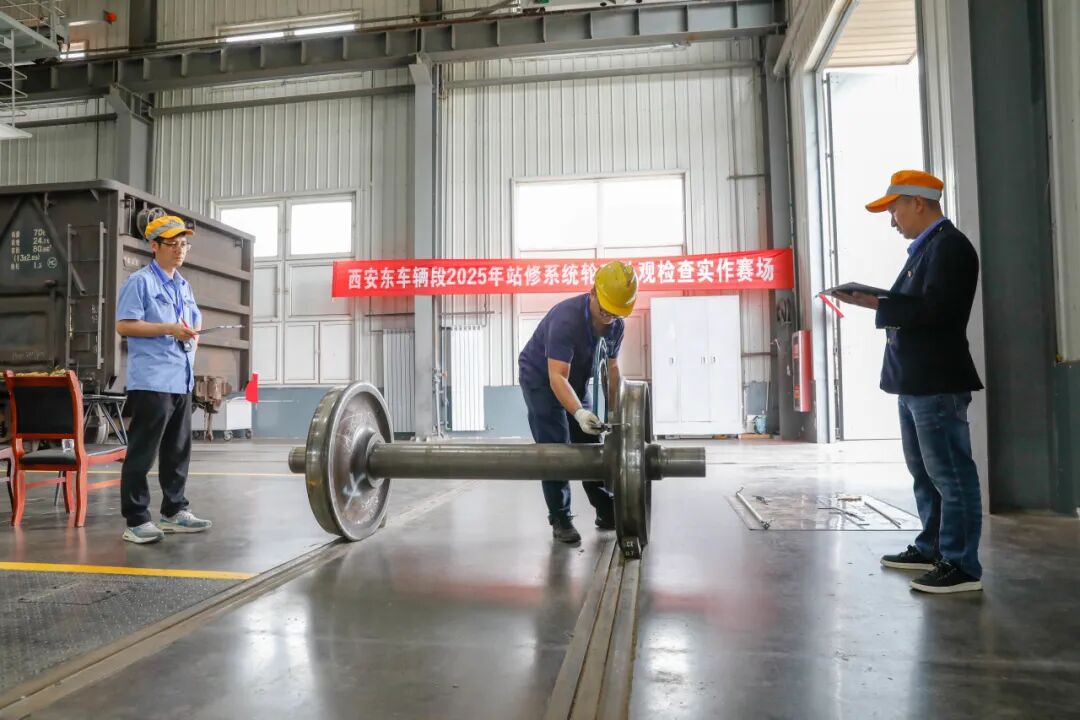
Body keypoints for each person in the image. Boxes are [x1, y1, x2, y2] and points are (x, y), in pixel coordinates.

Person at [835, 170, 984, 594]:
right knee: (925, 473)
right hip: (916, 382)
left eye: (895, 209)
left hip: (936, 382)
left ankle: (961, 565)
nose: (892, 220)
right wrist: (879, 302)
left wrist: (878, 304)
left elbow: (939, 312)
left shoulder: (950, 248)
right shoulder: (928, 249)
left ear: (918, 203)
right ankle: (932, 547)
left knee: (951, 476)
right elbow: (922, 305)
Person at [518, 261, 638, 544]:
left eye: (615, 313)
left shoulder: (615, 326)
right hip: (541, 379)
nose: (608, 318)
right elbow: (557, 377)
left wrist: (616, 413)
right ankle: (560, 517)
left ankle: (604, 507)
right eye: (605, 310)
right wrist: (579, 411)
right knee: (555, 447)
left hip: (576, 378)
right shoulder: (566, 319)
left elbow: (612, 370)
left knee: (590, 441)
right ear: (593, 292)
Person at [115, 214, 212, 544]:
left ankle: (174, 511)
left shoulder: (184, 285)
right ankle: (136, 520)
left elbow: (194, 321)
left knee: (177, 451)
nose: (180, 250)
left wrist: (191, 335)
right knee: (142, 453)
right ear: (154, 246)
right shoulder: (140, 282)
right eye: (173, 244)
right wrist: (169, 329)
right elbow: (125, 325)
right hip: (152, 381)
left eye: (184, 244)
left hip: (180, 379)